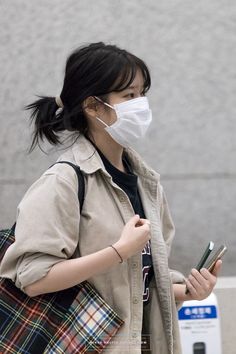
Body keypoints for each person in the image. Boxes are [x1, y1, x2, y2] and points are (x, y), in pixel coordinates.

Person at [0, 42, 222, 354]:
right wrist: (117, 251)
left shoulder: (146, 182)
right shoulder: (64, 180)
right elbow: (33, 278)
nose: (141, 104)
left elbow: (138, 283)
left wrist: (189, 291)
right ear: (92, 106)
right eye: (129, 96)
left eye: (143, 92)